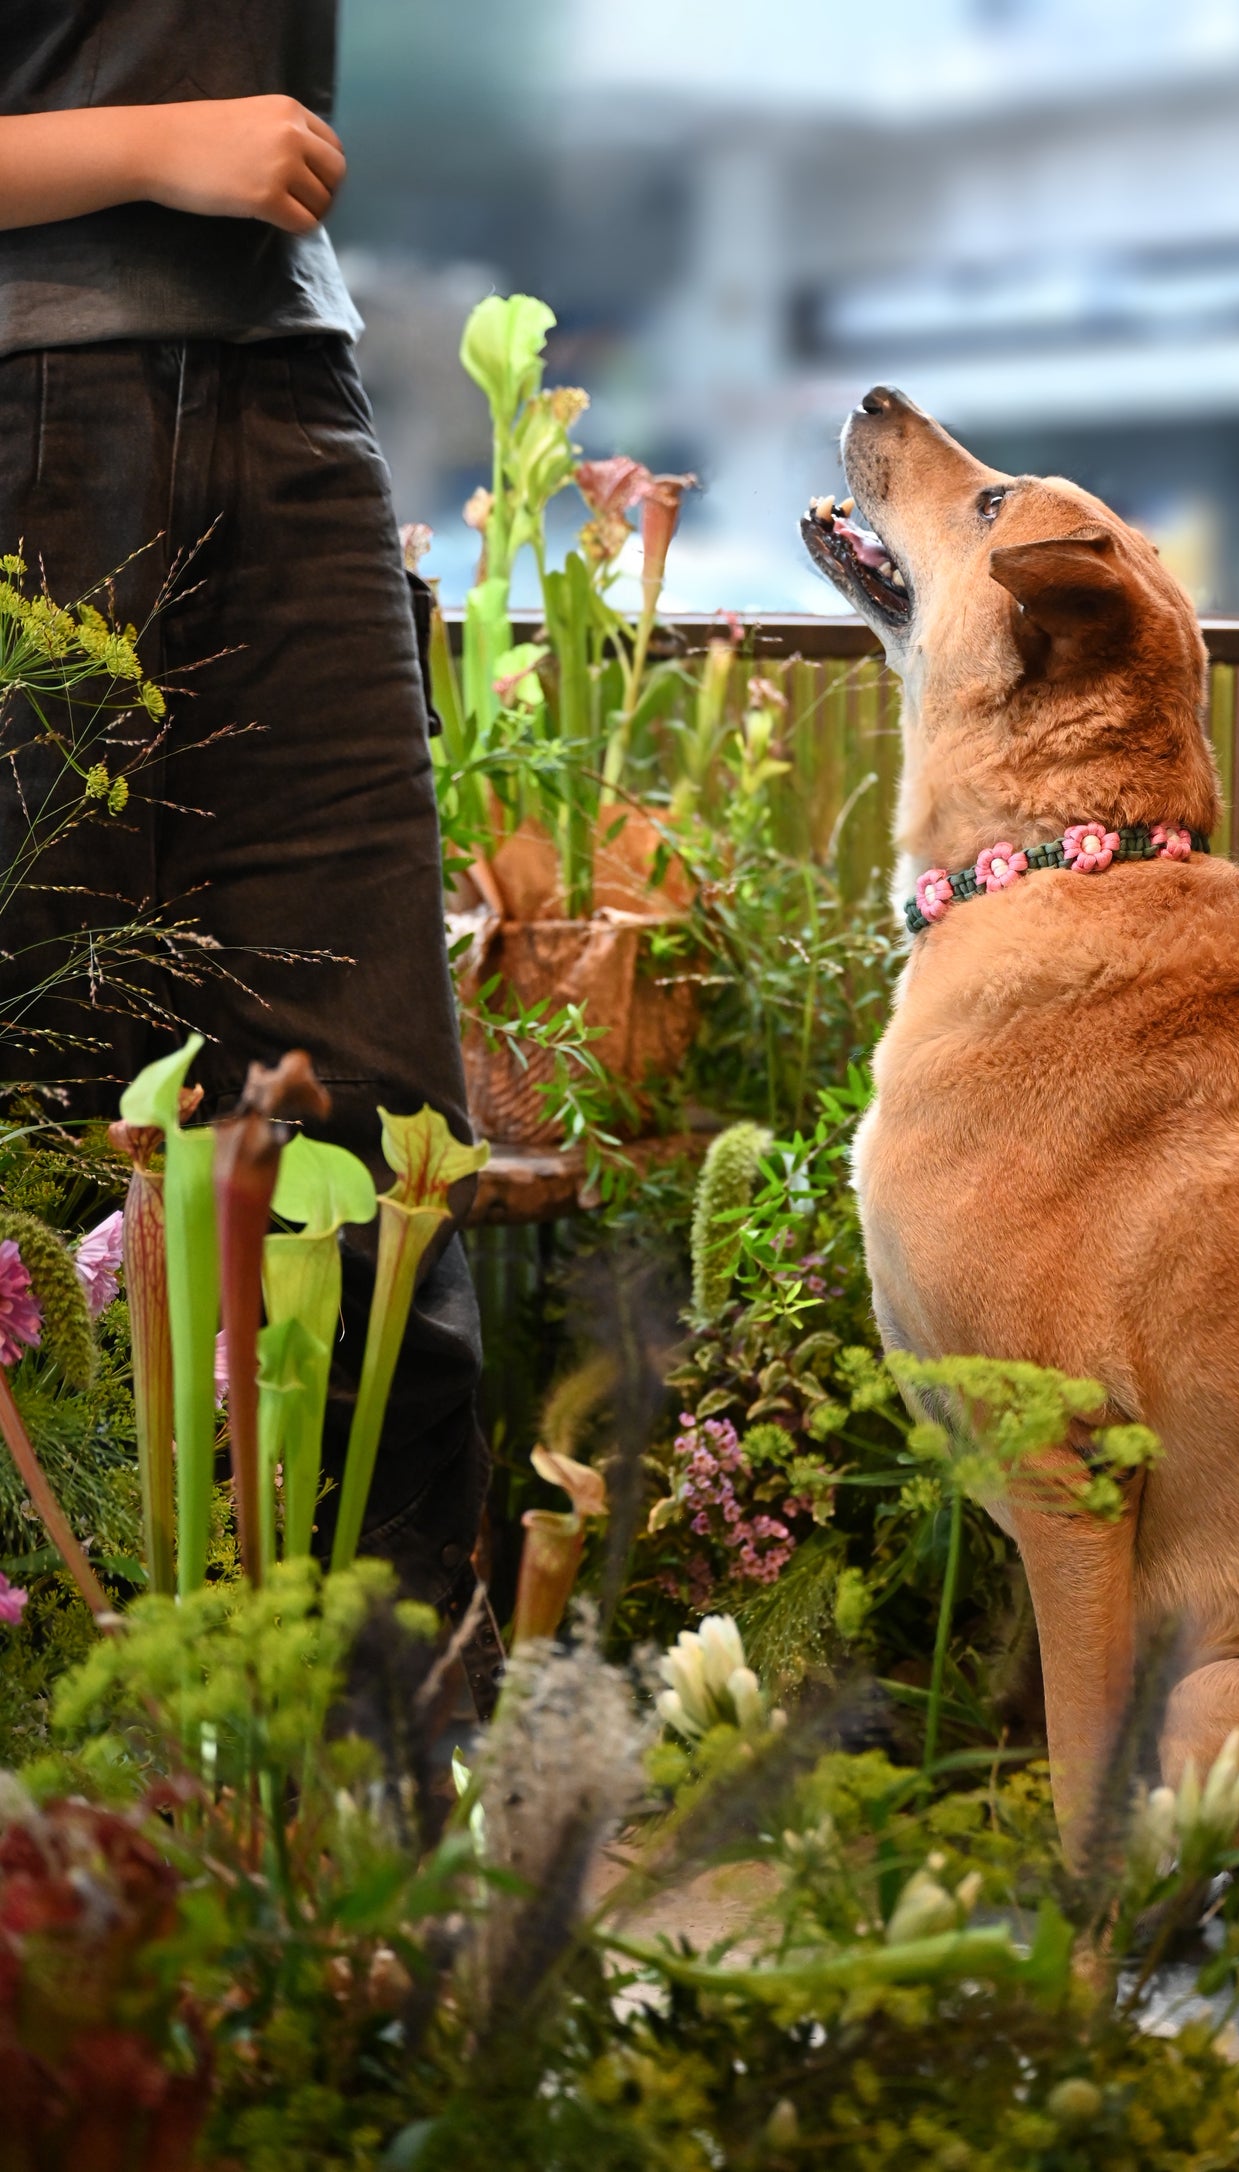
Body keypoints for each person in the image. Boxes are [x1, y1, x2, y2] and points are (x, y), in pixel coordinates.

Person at [0, 4, 500, 1706]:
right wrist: (157, 149)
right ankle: (69, 1816)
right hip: (31, 419)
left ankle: (389, 1824)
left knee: (378, 1126)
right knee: (39, 1114)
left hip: (290, 397)